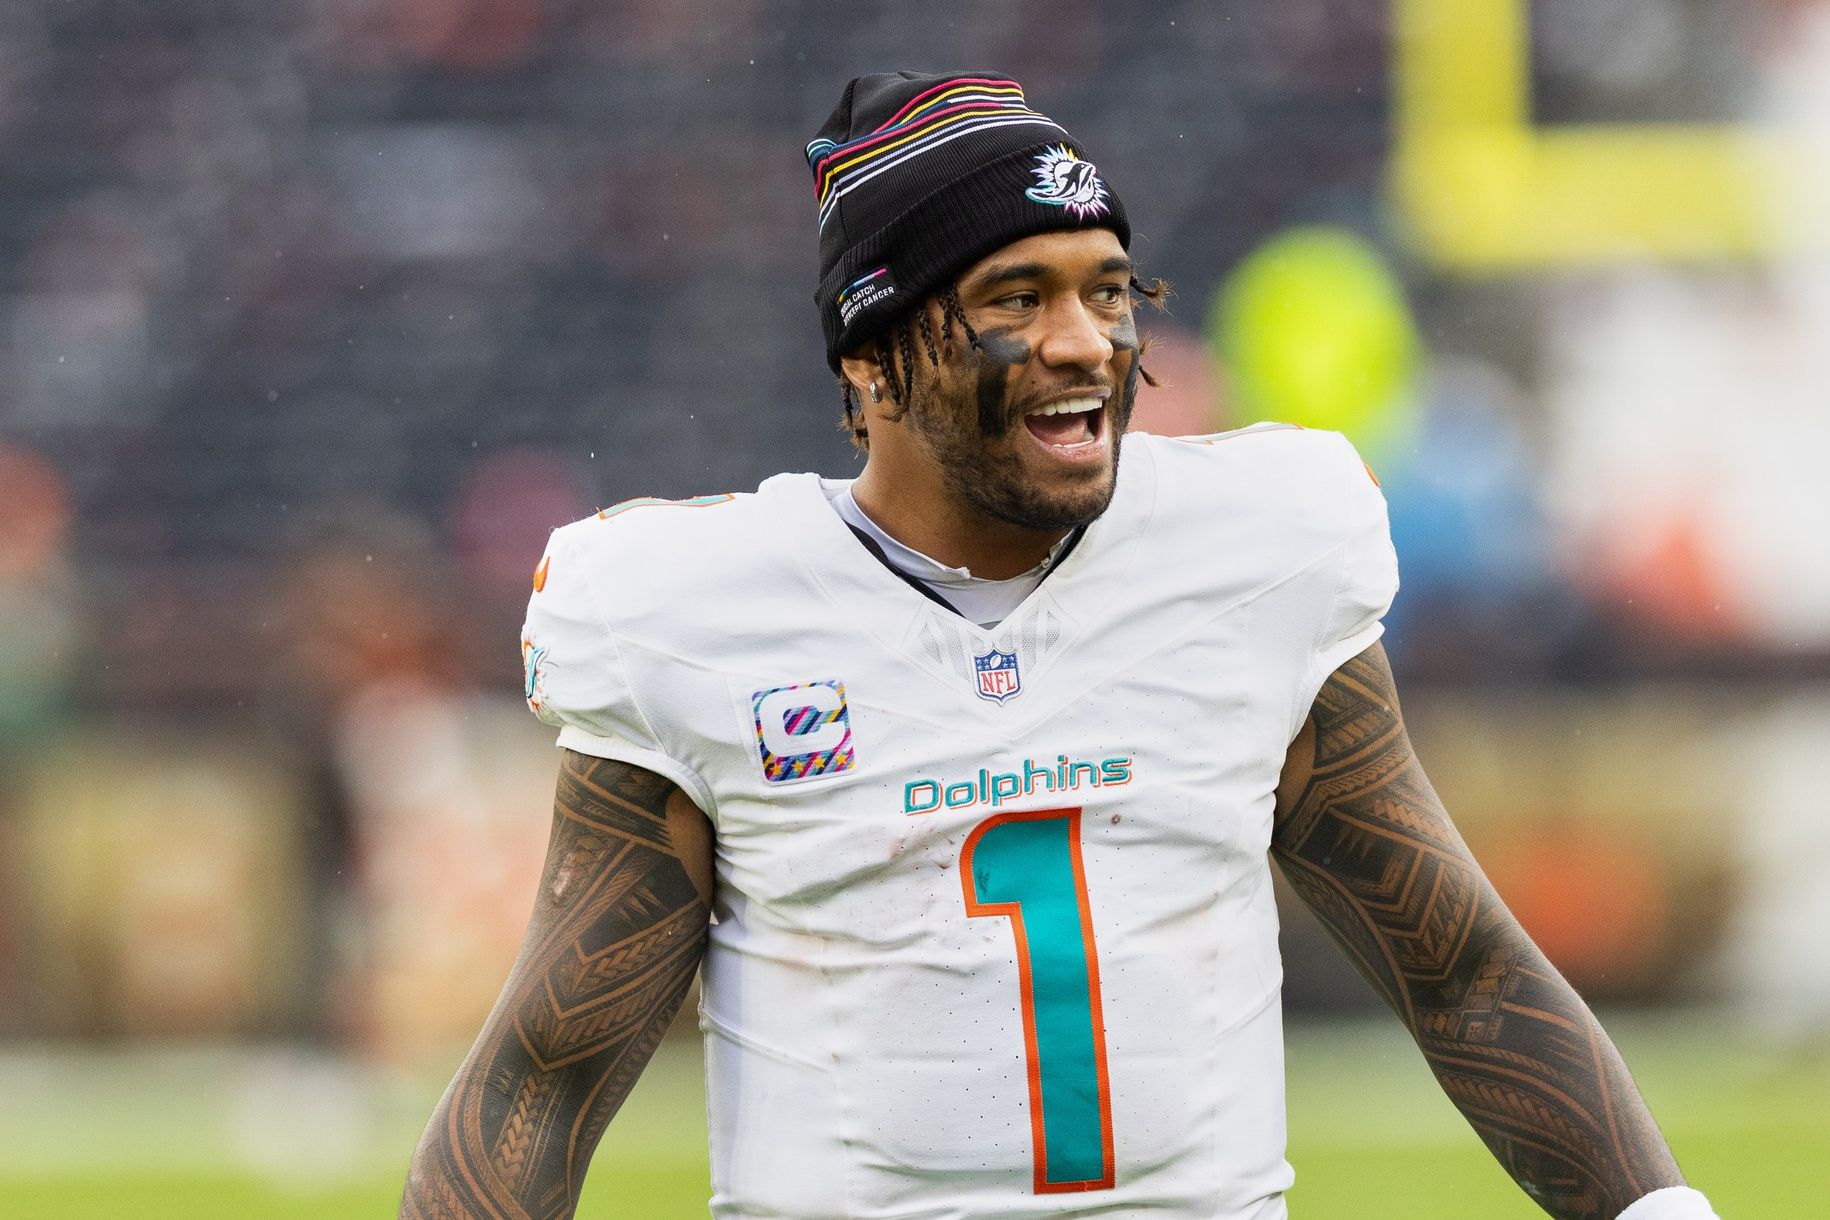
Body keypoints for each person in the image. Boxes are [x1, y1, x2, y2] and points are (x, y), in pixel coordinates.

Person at [401, 71, 1718, 1220]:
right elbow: (546, 1078)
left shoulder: (1249, 557)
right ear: (869, 356)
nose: (1084, 340)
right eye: (1014, 297)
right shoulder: (703, 613)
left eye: (1106, 289)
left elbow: (1463, 975)